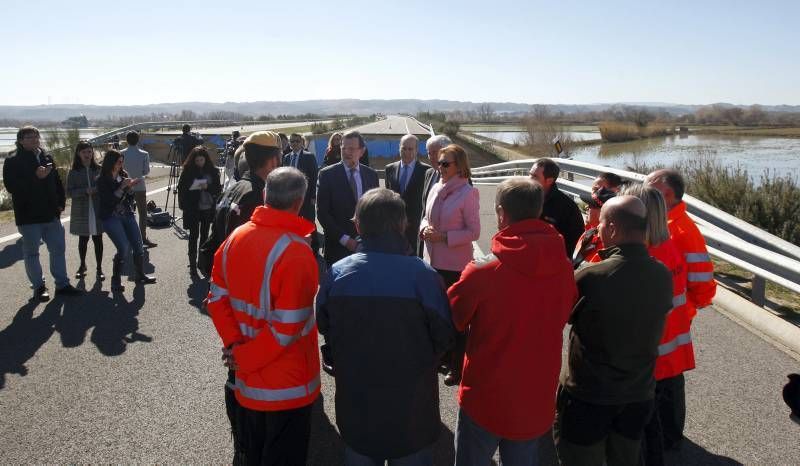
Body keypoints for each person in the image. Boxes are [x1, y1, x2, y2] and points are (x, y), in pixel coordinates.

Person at [316, 188, 455, 466]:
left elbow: (324, 325)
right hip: (412, 406)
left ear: (357, 225)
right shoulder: (424, 277)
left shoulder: (338, 273)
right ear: (404, 224)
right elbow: (444, 337)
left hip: (357, 403)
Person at [449, 177, 577, 466]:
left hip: (486, 396)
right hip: (536, 395)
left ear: (502, 213)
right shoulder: (564, 268)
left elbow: (454, 317)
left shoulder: (483, 271)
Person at [207, 167, 320, 465]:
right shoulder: (297, 252)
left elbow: (216, 300)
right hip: (288, 387)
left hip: (246, 383)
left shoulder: (234, 238)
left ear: (265, 195)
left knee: (250, 454)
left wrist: (234, 348)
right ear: (299, 202)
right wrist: (242, 357)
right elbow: (286, 330)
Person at [554, 195, 673, 466]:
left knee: (581, 458)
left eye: (601, 225)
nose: (597, 230)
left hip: (589, 396)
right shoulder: (663, 274)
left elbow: (559, 312)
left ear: (612, 229)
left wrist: (576, 260)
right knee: (626, 457)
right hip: (638, 394)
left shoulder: (593, 276)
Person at [198, 131, 286, 464]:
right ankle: (248, 441)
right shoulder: (257, 195)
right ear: (274, 160)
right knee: (247, 368)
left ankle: (243, 438)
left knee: (235, 364)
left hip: (228, 294)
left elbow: (210, 247)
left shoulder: (234, 187)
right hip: (249, 298)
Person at [619, 184, 693, 466]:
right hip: (670, 342)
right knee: (659, 417)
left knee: (644, 423)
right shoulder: (671, 246)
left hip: (647, 354)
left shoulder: (643, 258)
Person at [645, 168, 716, 450]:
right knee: (662, 378)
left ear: (667, 194)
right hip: (665, 323)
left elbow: (703, 284)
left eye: (648, 186)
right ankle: (663, 433)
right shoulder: (664, 223)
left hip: (672, 324)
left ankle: (670, 437)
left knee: (669, 380)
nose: (643, 191)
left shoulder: (682, 230)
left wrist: (685, 311)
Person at [420, 143, 480, 386]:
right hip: (431, 261)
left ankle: (456, 367)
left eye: (446, 163)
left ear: (459, 166)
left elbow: (474, 232)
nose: (440, 167)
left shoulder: (468, 193)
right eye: (439, 163)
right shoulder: (436, 187)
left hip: (454, 265)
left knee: (456, 320)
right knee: (434, 313)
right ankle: (440, 357)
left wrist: (444, 237)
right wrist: (425, 229)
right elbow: (424, 216)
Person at [3, 126, 81, 301]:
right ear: (21, 140)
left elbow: (57, 182)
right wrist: (35, 177)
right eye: (29, 137)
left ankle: (62, 284)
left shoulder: (46, 156)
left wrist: (61, 203)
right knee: (32, 253)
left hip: (51, 214)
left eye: (36, 136)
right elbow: (11, 187)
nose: (34, 140)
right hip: (28, 216)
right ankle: (39, 287)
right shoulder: (12, 160)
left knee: (58, 249)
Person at [316, 130, 379, 266]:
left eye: (351, 149)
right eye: (344, 148)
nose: (346, 152)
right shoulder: (327, 175)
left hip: (367, 247)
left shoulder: (371, 175)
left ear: (361, 151)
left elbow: (376, 210)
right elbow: (322, 214)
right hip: (337, 248)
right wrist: (346, 240)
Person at [97, 150, 156, 292]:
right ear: (111, 162)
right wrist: (122, 187)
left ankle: (140, 275)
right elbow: (109, 201)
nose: (121, 164)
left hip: (127, 214)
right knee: (123, 248)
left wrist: (130, 189)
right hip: (111, 216)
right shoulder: (102, 179)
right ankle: (115, 280)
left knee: (138, 244)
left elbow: (129, 198)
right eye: (119, 162)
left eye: (122, 161)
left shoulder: (123, 175)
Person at [178, 146, 222, 275]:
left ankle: (201, 261)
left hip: (208, 207)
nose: (199, 163)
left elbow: (217, 189)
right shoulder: (187, 171)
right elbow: (182, 189)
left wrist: (207, 186)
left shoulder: (213, 171)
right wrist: (193, 187)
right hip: (193, 208)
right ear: (193, 160)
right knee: (193, 235)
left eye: (201, 160)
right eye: (197, 160)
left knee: (204, 234)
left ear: (206, 159)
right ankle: (192, 264)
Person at [529, 158, 584, 257]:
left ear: (549, 181)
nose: (529, 179)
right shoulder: (523, 197)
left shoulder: (568, 207)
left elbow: (575, 242)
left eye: (534, 176)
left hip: (552, 262)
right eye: (530, 174)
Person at [384, 134, 430, 253]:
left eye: (410, 149)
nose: (407, 152)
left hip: (416, 229)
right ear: (399, 148)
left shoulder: (426, 171)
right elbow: (387, 198)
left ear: (416, 150)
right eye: (404, 148)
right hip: (394, 229)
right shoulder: (390, 169)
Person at [66, 140, 104, 280]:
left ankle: (99, 268)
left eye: (89, 151)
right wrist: (84, 191)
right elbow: (69, 192)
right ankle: (82, 265)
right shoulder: (74, 172)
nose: (87, 154)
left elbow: (105, 187)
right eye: (84, 152)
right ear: (78, 154)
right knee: (83, 240)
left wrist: (96, 189)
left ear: (92, 152)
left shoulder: (99, 169)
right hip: (81, 210)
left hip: (97, 208)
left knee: (98, 239)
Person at [121, 130, 157, 248]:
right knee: (142, 213)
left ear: (127, 140)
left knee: (126, 213)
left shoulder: (121, 153)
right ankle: (143, 237)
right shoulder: (144, 154)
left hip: (124, 186)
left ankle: (128, 238)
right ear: (138, 140)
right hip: (140, 186)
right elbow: (146, 171)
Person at [418, 134, 452, 257]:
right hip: (426, 242)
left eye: (435, 152)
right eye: (429, 153)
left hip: (447, 249)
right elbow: (425, 210)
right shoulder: (429, 173)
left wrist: (443, 236)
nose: (431, 157)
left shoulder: (460, 179)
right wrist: (424, 228)